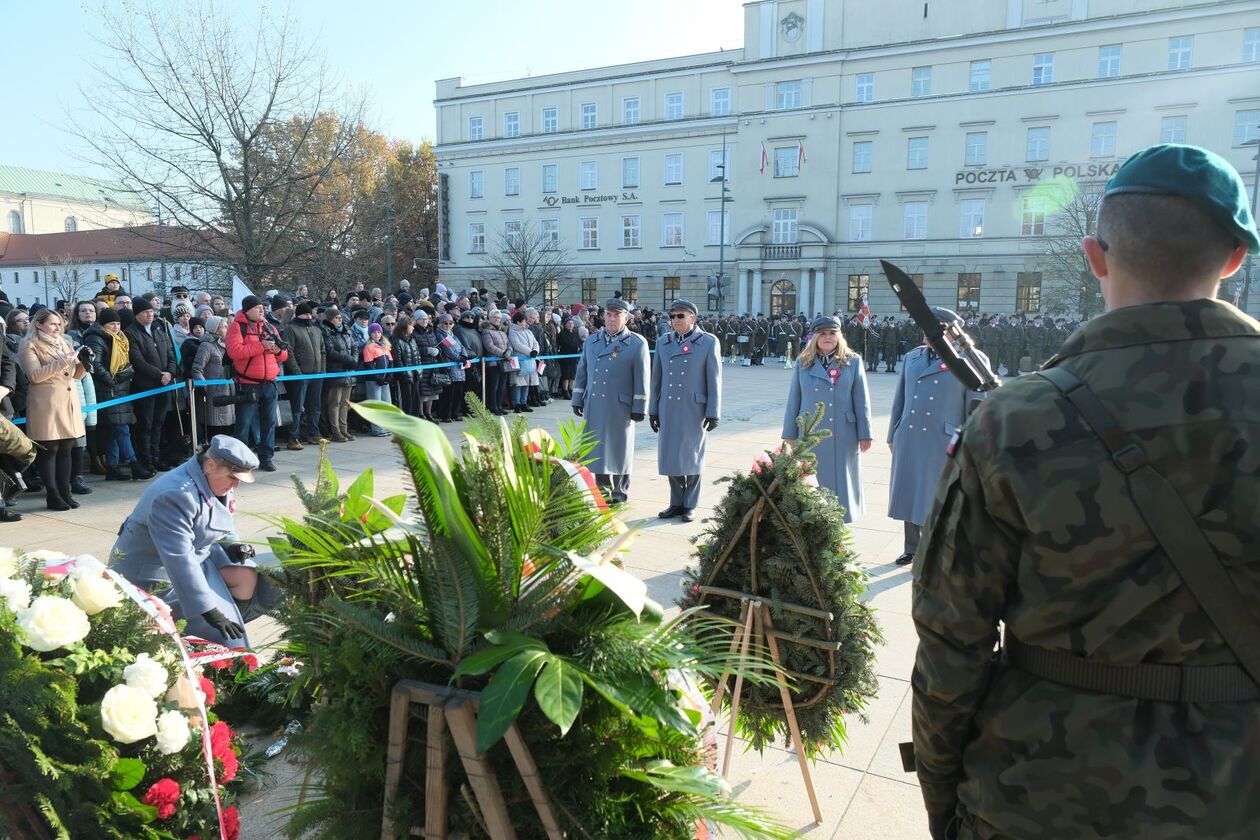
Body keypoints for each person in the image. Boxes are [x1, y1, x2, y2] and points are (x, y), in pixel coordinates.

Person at [909, 144, 1260, 840]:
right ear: (1234, 260)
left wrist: (944, 799)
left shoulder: (1015, 420)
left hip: (1037, 796)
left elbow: (952, 641)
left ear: (1096, 256)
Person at [110, 435, 266, 648]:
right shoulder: (175, 495)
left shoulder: (211, 477)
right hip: (155, 574)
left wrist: (233, 544)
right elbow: (178, 558)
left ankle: (224, 624)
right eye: (232, 477)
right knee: (228, 639)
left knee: (254, 576)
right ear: (210, 464)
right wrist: (208, 610)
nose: (236, 485)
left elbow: (221, 520)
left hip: (197, 555)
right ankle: (204, 641)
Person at [887, 307, 988, 566]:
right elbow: (900, 399)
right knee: (911, 491)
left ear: (953, 330)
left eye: (936, 327)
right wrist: (893, 433)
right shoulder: (913, 358)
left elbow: (977, 409)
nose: (927, 332)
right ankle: (912, 547)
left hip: (944, 439)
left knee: (939, 496)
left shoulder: (971, 359)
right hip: (910, 436)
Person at [780, 315, 873, 523]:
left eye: (832, 333)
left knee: (842, 482)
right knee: (812, 481)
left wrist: (865, 434)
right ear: (815, 337)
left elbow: (861, 400)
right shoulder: (803, 362)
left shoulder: (853, 361)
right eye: (823, 334)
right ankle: (812, 523)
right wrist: (790, 433)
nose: (828, 338)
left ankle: (839, 526)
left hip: (844, 432)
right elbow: (794, 398)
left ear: (839, 336)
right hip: (811, 432)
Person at [648, 300, 721, 523]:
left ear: (693, 318)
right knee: (671, 456)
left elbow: (714, 379)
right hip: (668, 407)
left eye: (681, 316)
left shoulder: (708, 342)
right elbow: (656, 378)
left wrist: (713, 411)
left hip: (694, 409)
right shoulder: (663, 342)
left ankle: (690, 504)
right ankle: (676, 502)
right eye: (673, 316)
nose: (675, 320)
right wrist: (653, 410)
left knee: (692, 457)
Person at [571, 298, 649, 503]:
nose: (612, 319)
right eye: (609, 314)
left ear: (626, 318)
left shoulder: (636, 343)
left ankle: (620, 491)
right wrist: (577, 398)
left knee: (620, 448)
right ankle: (602, 490)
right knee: (597, 447)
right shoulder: (591, 341)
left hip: (621, 406)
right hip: (595, 403)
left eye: (617, 315)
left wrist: (640, 405)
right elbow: (582, 372)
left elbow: (642, 378)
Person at [17, 308, 89, 510]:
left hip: (68, 402)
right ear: (39, 324)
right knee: (50, 450)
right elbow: (35, 376)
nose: (58, 327)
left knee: (67, 448)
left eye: (60, 323)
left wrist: (85, 363)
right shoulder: (29, 345)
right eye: (53, 324)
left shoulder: (65, 342)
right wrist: (62, 361)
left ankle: (65, 492)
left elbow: (75, 375)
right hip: (46, 404)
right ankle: (52, 494)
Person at [226, 294, 288, 471]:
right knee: (243, 424)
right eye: (257, 308)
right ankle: (239, 461)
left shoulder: (269, 326)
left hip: (269, 382)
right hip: (247, 383)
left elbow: (284, 355)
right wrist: (262, 346)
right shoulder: (237, 327)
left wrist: (276, 350)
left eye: (263, 307)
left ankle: (266, 457)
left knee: (269, 423)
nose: (262, 310)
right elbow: (234, 351)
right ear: (247, 310)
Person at [124, 297, 177, 474]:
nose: (150, 315)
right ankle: (145, 459)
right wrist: (159, 375)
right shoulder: (131, 333)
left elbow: (171, 355)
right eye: (146, 312)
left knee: (158, 423)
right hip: (145, 387)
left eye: (152, 312)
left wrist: (170, 373)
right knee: (145, 425)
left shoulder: (159, 330)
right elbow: (137, 360)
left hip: (164, 385)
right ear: (137, 314)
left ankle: (156, 457)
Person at [281, 300, 325, 447]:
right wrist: (297, 372)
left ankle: (314, 433)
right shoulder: (291, 329)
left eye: (309, 314)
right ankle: (293, 437)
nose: (308, 317)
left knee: (315, 406)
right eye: (305, 314)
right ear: (299, 315)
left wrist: (322, 371)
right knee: (297, 407)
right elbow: (289, 352)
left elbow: (322, 351)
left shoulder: (316, 330)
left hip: (316, 373)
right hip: (300, 375)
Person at [192, 315, 236, 442]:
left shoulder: (228, 344)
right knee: (216, 429)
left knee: (228, 428)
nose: (227, 328)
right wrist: (202, 384)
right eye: (224, 326)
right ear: (216, 329)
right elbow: (197, 368)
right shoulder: (206, 346)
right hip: (214, 392)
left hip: (229, 391)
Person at [319, 307, 357, 442]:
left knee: (345, 403)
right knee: (334, 403)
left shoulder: (346, 331)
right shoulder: (326, 332)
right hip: (336, 370)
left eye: (340, 317)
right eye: (336, 318)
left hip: (349, 371)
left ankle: (344, 429)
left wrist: (354, 360)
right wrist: (348, 360)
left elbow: (354, 346)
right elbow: (330, 351)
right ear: (329, 319)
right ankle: (336, 431)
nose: (340, 320)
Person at [433, 313, 468, 423]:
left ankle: (455, 413)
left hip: (458, 366)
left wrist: (464, 355)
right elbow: (447, 350)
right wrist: (458, 357)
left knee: (458, 392)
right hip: (450, 366)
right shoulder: (440, 334)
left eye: (450, 323)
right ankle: (446, 414)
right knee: (449, 393)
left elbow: (461, 346)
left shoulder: (452, 334)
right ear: (440, 324)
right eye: (445, 323)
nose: (448, 325)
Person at [361, 322, 393, 436]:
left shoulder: (385, 346)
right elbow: (369, 364)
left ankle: (385, 426)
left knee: (386, 404)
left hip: (384, 380)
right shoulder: (369, 347)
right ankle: (377, 429)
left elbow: (390, 362)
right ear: (370, 334)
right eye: (374, 332)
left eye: (379, 332)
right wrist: (377, 378)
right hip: (373, 380)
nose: (377, 334)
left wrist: (389, 376)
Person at [412, 311, 442, 422]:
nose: (425, 320)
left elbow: (437, 344)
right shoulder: (414, 333)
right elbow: (414, 349)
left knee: (432, 392)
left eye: (426, 318)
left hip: (433, 364)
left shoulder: (431, 331)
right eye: (421, 318)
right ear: (416, 320)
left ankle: (429, 414)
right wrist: (426, 350)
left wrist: (438, 350)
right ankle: (421, 414)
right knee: (422, 392)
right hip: (422, 365)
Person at [479, 309, 510, 415]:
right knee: (494, 386)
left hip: (504, 362)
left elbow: (509, 344)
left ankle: (499, 405)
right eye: (495, 317)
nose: (497, 319)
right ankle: (492, 406)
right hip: (493, 363)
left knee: (502, 386)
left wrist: (508, 353)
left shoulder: (502, 331)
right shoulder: (486, 331)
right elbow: (489, 346)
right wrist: (502, 353)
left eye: (498, 318)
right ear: (490, 318)